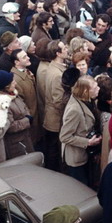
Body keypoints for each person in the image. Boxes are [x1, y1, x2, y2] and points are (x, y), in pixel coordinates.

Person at [60, 76, 102, 186]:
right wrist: (88, 142)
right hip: (76, 158)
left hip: (85, 154)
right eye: (95, 87)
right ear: (85, 91)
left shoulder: (87, 100)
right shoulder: (74, 110)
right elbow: (64, 136)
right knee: (81, 187)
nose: (98, 89)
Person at [0, 71, 34, 159]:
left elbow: (24, 107)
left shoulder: (14, 94)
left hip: (25, 138)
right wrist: (27, 120)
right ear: (7, 87)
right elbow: (9, 126)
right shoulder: (2, 104)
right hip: (16, 144)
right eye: (13, 82)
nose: (15, 83)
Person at [44, 40, 69, 171]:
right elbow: (58, 100)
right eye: (64, 48)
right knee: (54, 151)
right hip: (55, 119)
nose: (66, 49)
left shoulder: (53, 67)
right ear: (58, 53)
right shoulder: (57, 74)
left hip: (52, 116)